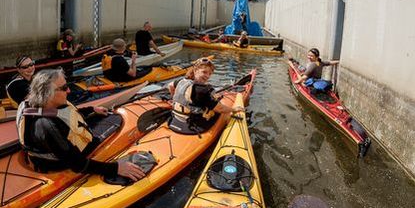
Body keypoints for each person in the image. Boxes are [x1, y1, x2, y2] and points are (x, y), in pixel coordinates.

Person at [16, 69, 145, 180]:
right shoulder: (46, 126)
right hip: (61, 163)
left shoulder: (39, 105)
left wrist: (92, 109)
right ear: (47, 94)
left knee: (105, 118)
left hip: (60, 144)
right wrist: (116, 168)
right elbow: (77, 165)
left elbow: (67, 114)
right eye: (64, 88)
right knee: (116, 119)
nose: (69, 91)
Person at [167, 58, 244, 133]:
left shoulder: (181, 81)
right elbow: (220, 109)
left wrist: (174, 99)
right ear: (195, 70)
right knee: (219, 110)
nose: (207, 76)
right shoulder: (203, 90)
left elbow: (170, 85)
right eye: (204, 72)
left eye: (210, 74)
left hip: (175, 120)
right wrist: (234, 109)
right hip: (192, 125)